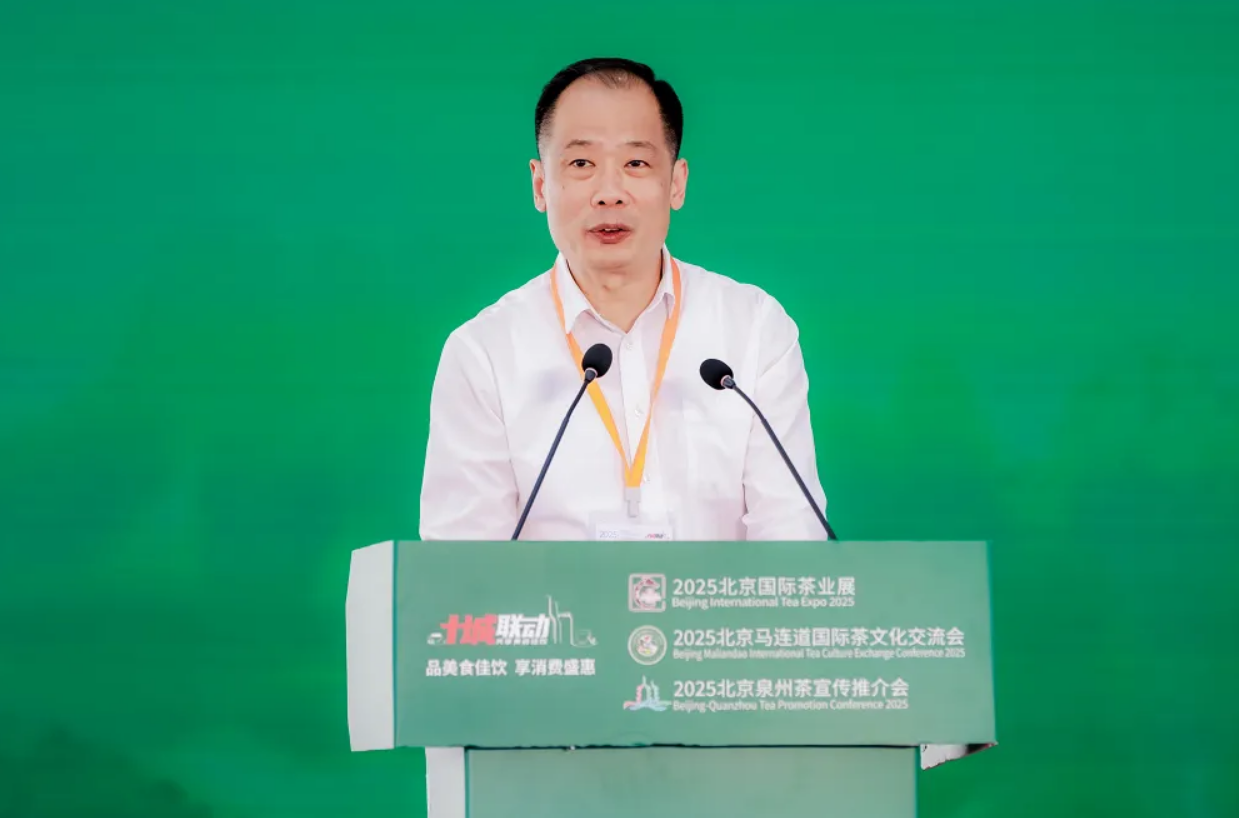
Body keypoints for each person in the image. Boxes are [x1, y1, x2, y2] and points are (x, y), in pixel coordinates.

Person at [418, 57, 830, 542]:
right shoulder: (483, 353)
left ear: (676, 183)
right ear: (540, 184)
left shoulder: (754, 329)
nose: (609, 193)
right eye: (581, 164)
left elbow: (791, 535)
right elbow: (462, 564)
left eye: (636, 163)